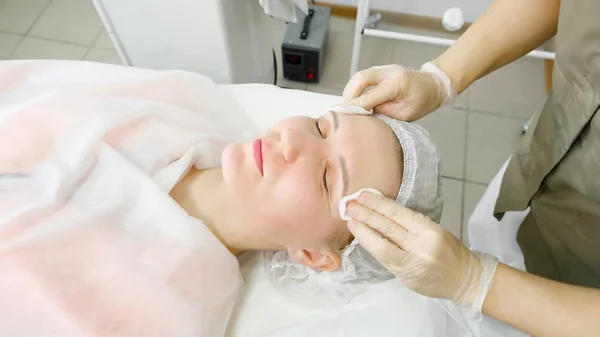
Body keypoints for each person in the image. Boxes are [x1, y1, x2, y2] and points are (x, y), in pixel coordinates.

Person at [0, 59, 442, 336]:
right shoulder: (185, 101)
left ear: (316, 256)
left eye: (327, 179)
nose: (292, 143)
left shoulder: (165, 314)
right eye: (322, 127)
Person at [340, 0, 600, 335]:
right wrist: (440, 77)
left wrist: (474, 282)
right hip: (543, 165)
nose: (286, 138)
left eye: (325, 177)